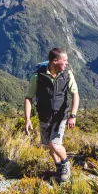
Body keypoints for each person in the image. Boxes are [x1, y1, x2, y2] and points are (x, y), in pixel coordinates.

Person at [24, 47, 79, 183]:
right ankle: (59, 166)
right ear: (55, 61)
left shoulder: (67, 75)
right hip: (44, 116)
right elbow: (28, 98)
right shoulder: (37, 76)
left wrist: (73, 115)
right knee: (49, 145)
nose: (67, 63)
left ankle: (65, 164)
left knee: (54, 144)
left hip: (60, 116)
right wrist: (27, 119)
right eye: (64, 60)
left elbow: (75, 94)